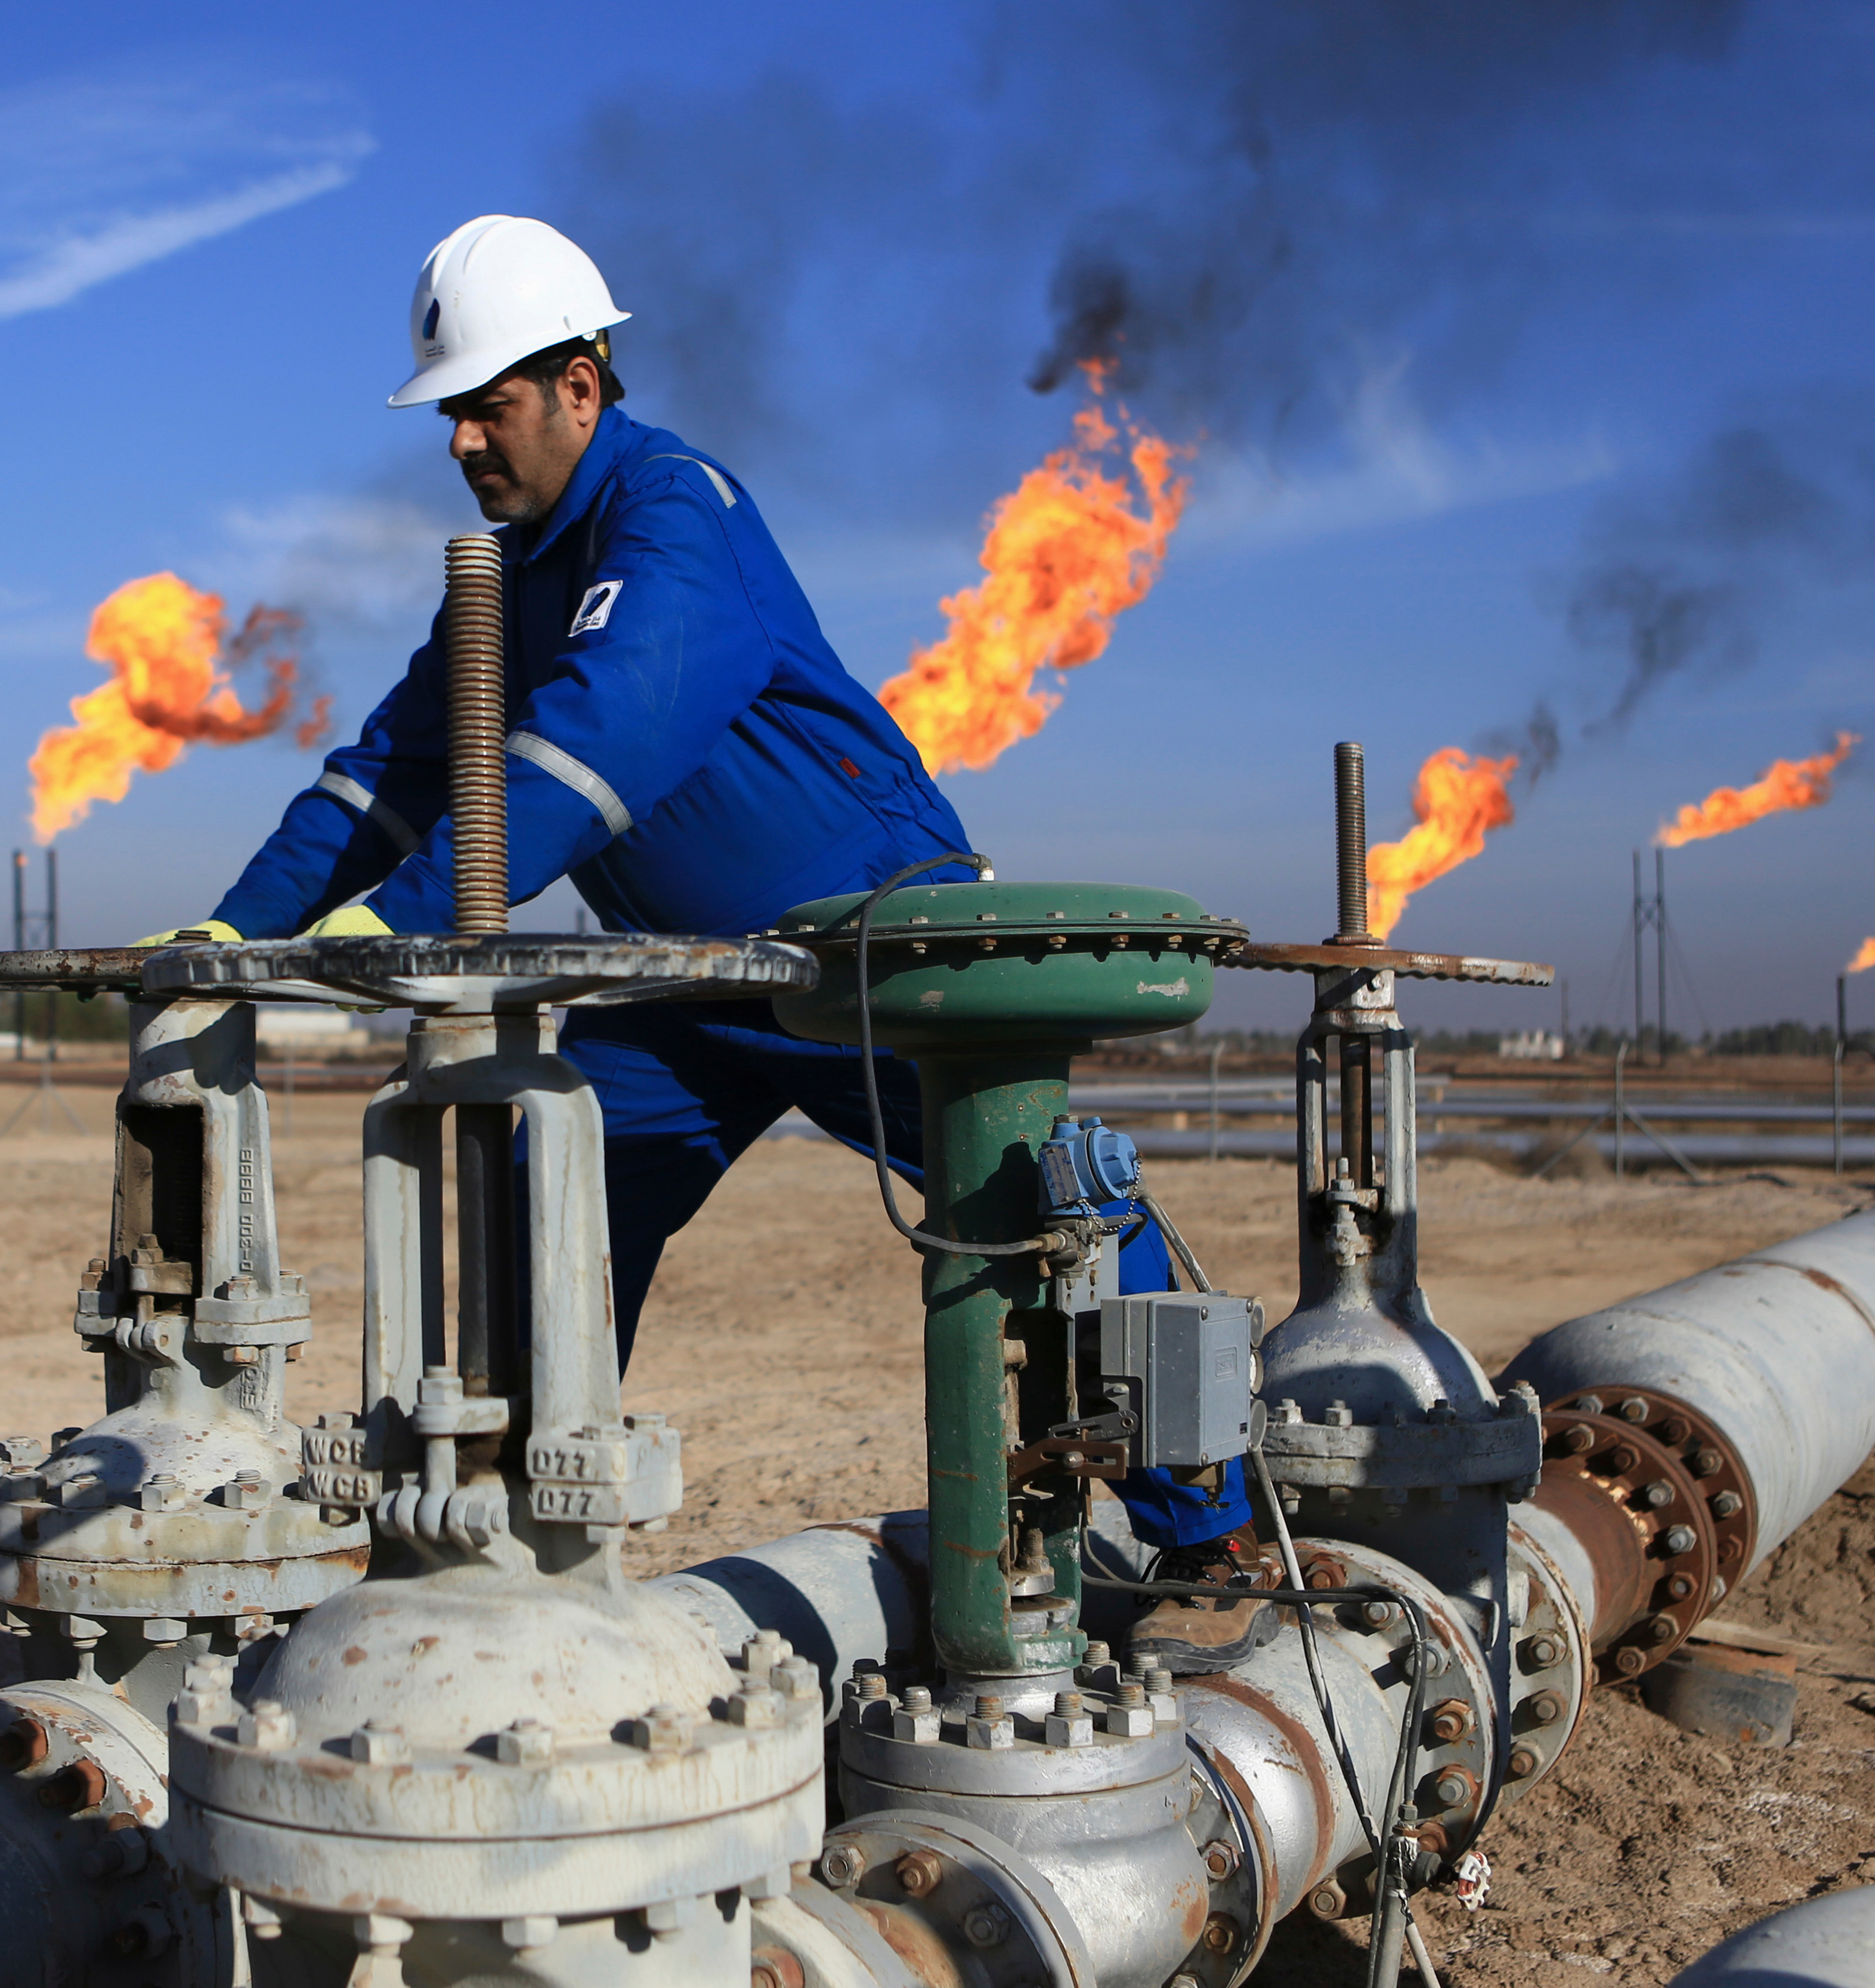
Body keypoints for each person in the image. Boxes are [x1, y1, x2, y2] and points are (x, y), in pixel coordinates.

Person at [150, 214, 1242, 1560]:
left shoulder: (675, 511)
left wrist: (398, 920)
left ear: (580, 386)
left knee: (1044, 1207)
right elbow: (391, 776)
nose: (461, 443)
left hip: (865, 952)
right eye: (448, 416)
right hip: (690, 984)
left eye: (487, 409)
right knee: (551, 1195)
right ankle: (511, 1539)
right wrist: (236, 928)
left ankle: (1214, 1535)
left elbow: (607, 737)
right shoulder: (505, 584)